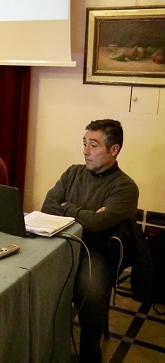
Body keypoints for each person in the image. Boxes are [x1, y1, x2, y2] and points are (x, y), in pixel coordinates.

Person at [41, 119, 139, 363]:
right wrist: (86, 213)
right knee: (28, 279)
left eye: (93, 145)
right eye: (84, 144)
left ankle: (89, 353)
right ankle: (42, 347)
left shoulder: (125, 187)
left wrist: (67, 207)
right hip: (58, 243)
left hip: (94, 252)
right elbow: (47, 206)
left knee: (91, 291)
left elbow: (98, 225)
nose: (85, 151)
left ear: (113, 149)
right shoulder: (73, 172)